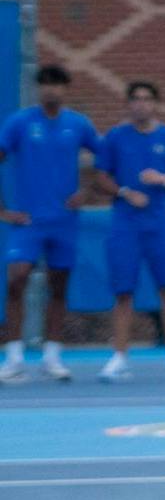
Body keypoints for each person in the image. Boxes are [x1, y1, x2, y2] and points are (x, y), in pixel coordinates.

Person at [0, 64, 101, 383]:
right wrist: (3, 210)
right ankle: (14, 357)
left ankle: (52, 356)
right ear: (38, 88)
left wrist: (85, 192)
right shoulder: (20, 123)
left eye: (57, 84)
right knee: (16, 279)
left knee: (59, 286)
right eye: (45, 84)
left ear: (65, 89)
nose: (51, 90)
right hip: (28, 221)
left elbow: (104, 159)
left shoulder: (78, 124)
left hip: (63, 221)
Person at [93, 81, 165, 382]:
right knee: (123, 291)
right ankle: (120, 355)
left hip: (160, 223)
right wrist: (125, 192)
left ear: (155, 103)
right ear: (128, 104)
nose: (141, 104)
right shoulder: (115, 137)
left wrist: (163, 179)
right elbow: (100, 177)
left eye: (147, 99)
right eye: (135, 99)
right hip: (125, 224)